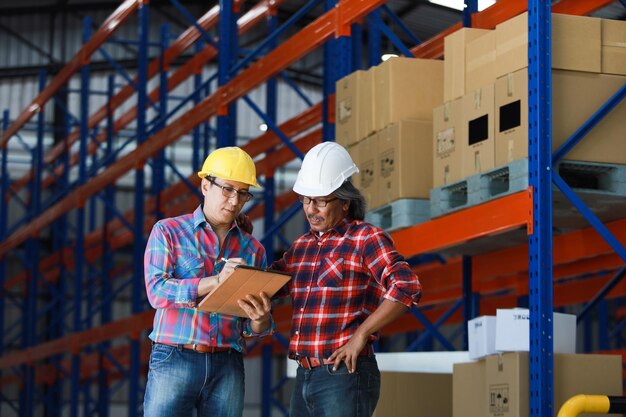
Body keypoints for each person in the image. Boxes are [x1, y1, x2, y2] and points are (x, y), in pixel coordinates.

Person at [271, 141, 422, 417]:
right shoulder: (301, 247)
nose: (310, 209)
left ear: (345, 202)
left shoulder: (365, 238)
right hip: (304, 374)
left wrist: (360, 335)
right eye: (305, 199)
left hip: (343, 374)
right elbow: (269, 283)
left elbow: (406, 286)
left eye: (320, 200)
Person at [143, 146, 274, 417]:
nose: (234, 200)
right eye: (227, 189)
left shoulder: (253, 250)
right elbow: (157, 292)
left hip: (227, 363)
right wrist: (216, 281)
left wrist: (261, 319)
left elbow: (251, 327)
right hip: (174, 357)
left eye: (242, 193)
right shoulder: (168, 232)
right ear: (205, 185)